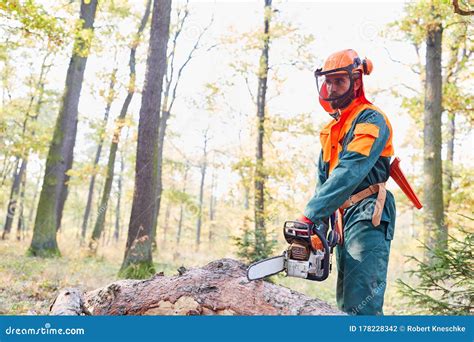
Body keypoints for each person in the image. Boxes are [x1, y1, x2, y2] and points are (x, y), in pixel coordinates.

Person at [299, 49, 396, 315]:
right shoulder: (333, 128)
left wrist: (309, 215)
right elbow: (325, 180)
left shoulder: (371, 119)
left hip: (368, 212)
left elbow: (350, 171)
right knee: (345, 302)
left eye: (338, 81)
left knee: (362, 303)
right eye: (327, 81)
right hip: (344, 217)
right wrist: (317, 224)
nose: (331, 88)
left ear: (356, 81)